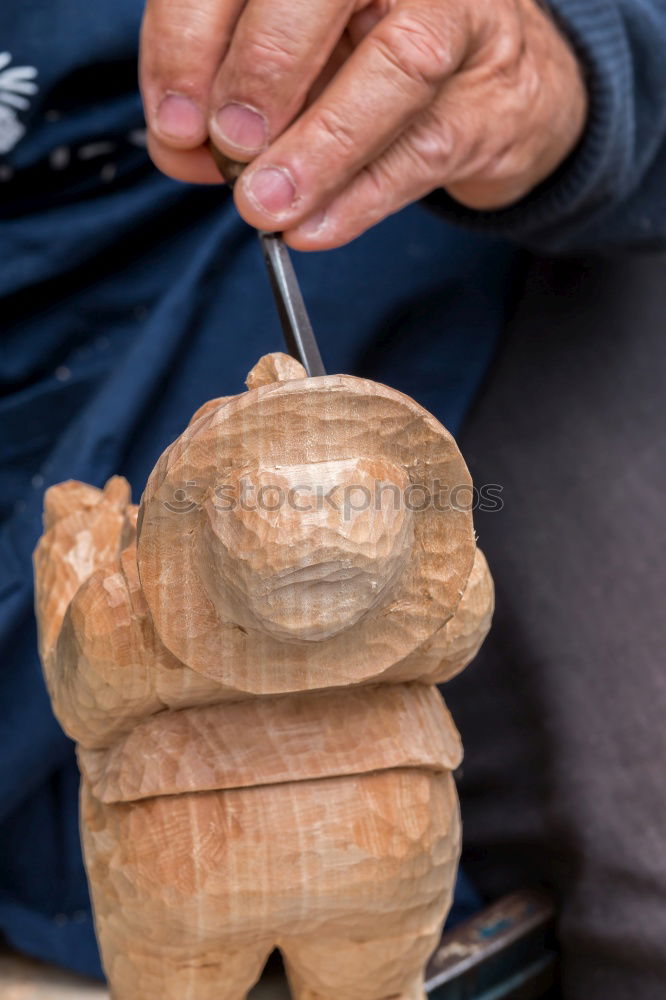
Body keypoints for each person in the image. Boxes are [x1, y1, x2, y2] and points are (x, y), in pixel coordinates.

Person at [0, 0, 664, 997]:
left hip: (456, 247)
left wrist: (580, 58)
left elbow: (447, 614)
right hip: (178, 844)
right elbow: (101, 681)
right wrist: (105, 608)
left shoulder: (425, 574)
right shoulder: (145, 613)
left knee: (642, 849)